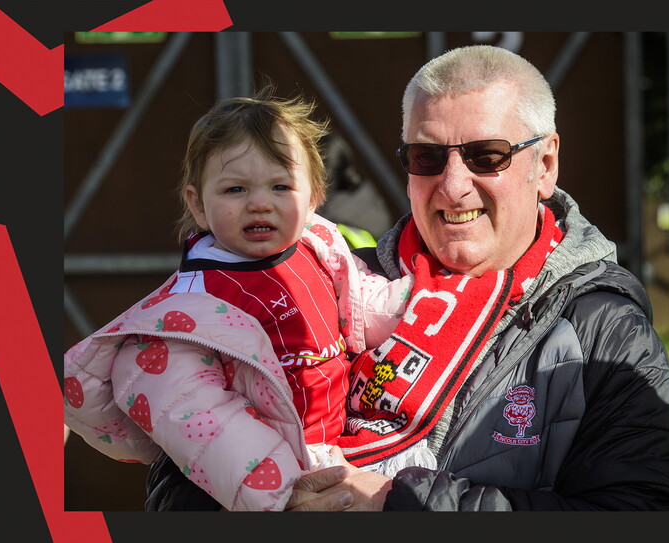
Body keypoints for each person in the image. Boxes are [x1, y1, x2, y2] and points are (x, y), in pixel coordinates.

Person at [146, 44, 669, 512]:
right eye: (427, 157)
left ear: (544, 165)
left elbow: (642, 511)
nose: (453, 187)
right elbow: (173, 491)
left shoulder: (601, 326)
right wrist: (269, 494)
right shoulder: (339, 283)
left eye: (486, 156)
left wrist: (396, 505)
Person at [63, 88, 415, 511]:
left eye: (281, 186)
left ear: (315, 194)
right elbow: (200, 419)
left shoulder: (320, 248)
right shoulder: (191, 307)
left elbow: (366, 307)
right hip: (286, 477)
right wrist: (280, 494)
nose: (260, 203)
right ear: (197, 204)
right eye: (235, 190)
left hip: (351, 447)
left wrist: (429, 296)